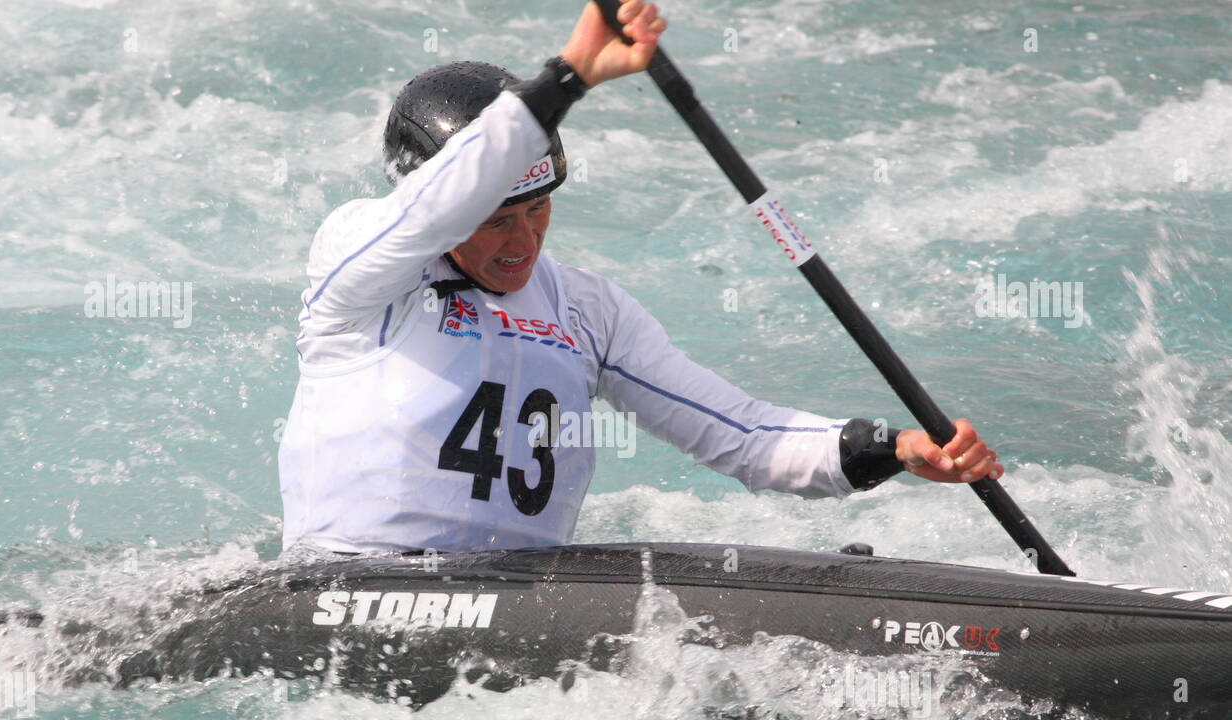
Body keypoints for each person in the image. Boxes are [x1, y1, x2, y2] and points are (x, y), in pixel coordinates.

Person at [278, 0, 1001, 557]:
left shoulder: (586, 308)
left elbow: (742, 432)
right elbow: (435, 208)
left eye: (539, 210)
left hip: (519, 599)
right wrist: (568, 76)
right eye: (497, 218)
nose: (522, 239)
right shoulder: (362, 270)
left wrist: (894, 449)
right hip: (348, 579)